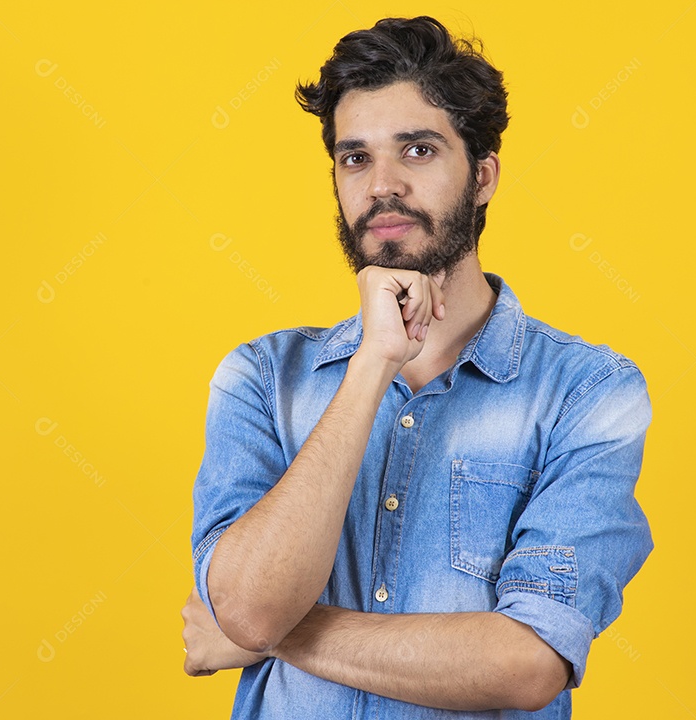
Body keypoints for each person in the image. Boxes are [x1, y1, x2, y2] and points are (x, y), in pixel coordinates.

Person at [181, 15, 653, 719]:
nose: (383, 185)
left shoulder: (589, 393)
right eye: (355, 158)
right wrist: (373, 361)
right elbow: (245, 606)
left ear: (483, 176)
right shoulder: (260, 379)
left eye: (419, 150)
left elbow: (526, 662)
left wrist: (272, 632)